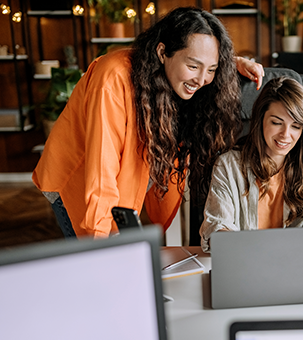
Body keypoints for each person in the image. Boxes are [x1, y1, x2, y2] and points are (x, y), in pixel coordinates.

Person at [33, 7, 265, 238]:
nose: (202, 79)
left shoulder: (176, 71)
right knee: (96, 261)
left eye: (212, 69)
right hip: (78, 181)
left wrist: (231, 64)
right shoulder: (112, 79)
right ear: (162, 52)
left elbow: (198, 59)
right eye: (194, 67)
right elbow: (101, 169)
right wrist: (101, 243)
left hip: (124, 179)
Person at [199, 77, 303, 252]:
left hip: (296, 267)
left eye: (296, 126)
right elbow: (218, 226)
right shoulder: (229, 166)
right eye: (276, 123)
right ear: (260, 120)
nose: (285, 135)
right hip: (244, 264)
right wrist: (227, 242)